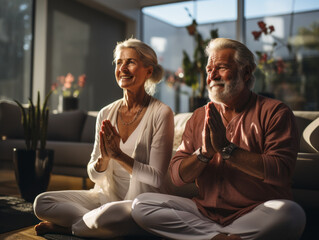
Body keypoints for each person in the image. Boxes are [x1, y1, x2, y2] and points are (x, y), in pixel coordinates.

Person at [131, 38, 306, 240]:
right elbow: (177, 177)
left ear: (246, 72)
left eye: (221, 68)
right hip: (204, 213)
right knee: (142, 204)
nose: (212, 75)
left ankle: (207, 236)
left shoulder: (275, 112)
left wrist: (226, 149)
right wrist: (204, 154)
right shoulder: (198, 116)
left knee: (291, 214)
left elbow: (281, 171)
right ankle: (218, 237)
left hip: (254, 213)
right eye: (209, 70)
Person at [33, 38, 174, 239]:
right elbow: (94, 175)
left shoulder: (162, 113)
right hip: (105, 198)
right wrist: (105, 160)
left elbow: (156, 178)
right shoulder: (106, 112)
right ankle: (94, 226)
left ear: (148, 71)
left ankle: (70, 228)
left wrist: (118, 155)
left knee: (109, 215)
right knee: (42, 202)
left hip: (140, 203)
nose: (122, 68)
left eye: (130, 62)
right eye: (119, 62)